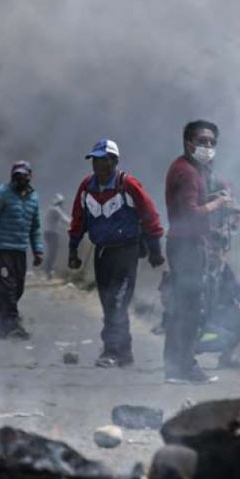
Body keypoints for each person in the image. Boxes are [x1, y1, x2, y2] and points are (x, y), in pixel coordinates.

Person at [68, 138, 165, 368]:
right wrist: (73, 249)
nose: (99, 166)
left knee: (118, 302)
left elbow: (149, 215)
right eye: (95, 161)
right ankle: (124, 352)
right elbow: (78, 219)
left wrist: (154, 250)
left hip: (126, 253)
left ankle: (112, 350)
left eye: (104, 160)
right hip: (102, 254)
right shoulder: (86, 187)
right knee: (108, 302)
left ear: (115, 161)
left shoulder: (128, 185)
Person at [163, 120, 240, 382]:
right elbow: (191, 212)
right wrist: (217, 204)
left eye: (212, 142)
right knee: (189, 308)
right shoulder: (188, 172)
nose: (207, 146)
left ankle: (176, 366)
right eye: (202, 141)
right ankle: (184, 367)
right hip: (187, 246)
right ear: (188, 143)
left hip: (185, 244)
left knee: (183, 306)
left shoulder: (188, 168)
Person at [0, 161, 44, 339]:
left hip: (20, 251)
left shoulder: (33, 198)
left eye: (24, 175)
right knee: (8, 289)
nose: (20, 178)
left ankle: (2, 326)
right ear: (12, 176)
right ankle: (14, 325)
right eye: (17, 175)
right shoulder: (1, 194)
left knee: (17, 290)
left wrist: (38, 250)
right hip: (2, 251)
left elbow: (35, 227)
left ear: (30, 176)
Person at [195, 231, 240, 368]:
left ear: (224, 251)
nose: (211, 253)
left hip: (215, 320)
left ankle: (227, 357)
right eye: (208, 249)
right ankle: (184, 357)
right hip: (195, 321)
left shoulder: (226, 271)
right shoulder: (195, 269)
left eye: (216, 250)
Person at [43, 193, 71, 279]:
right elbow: (64, 219)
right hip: (52, 233)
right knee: (52, 253)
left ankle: (48, 270)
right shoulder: (56, 210)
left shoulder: (50, 209)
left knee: (51, 252)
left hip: (48, 232)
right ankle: (48, 270)